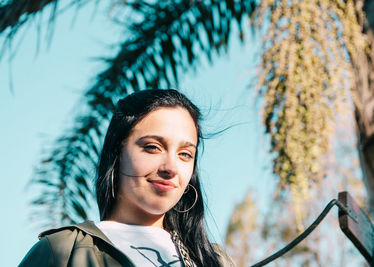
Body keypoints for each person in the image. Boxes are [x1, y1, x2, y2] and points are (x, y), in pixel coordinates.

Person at [19, 89, 235, 267]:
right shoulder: (63, 251)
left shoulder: (215, 260)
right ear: (117, 152)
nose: (171, 167)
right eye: (153, 147)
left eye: (185, 154)